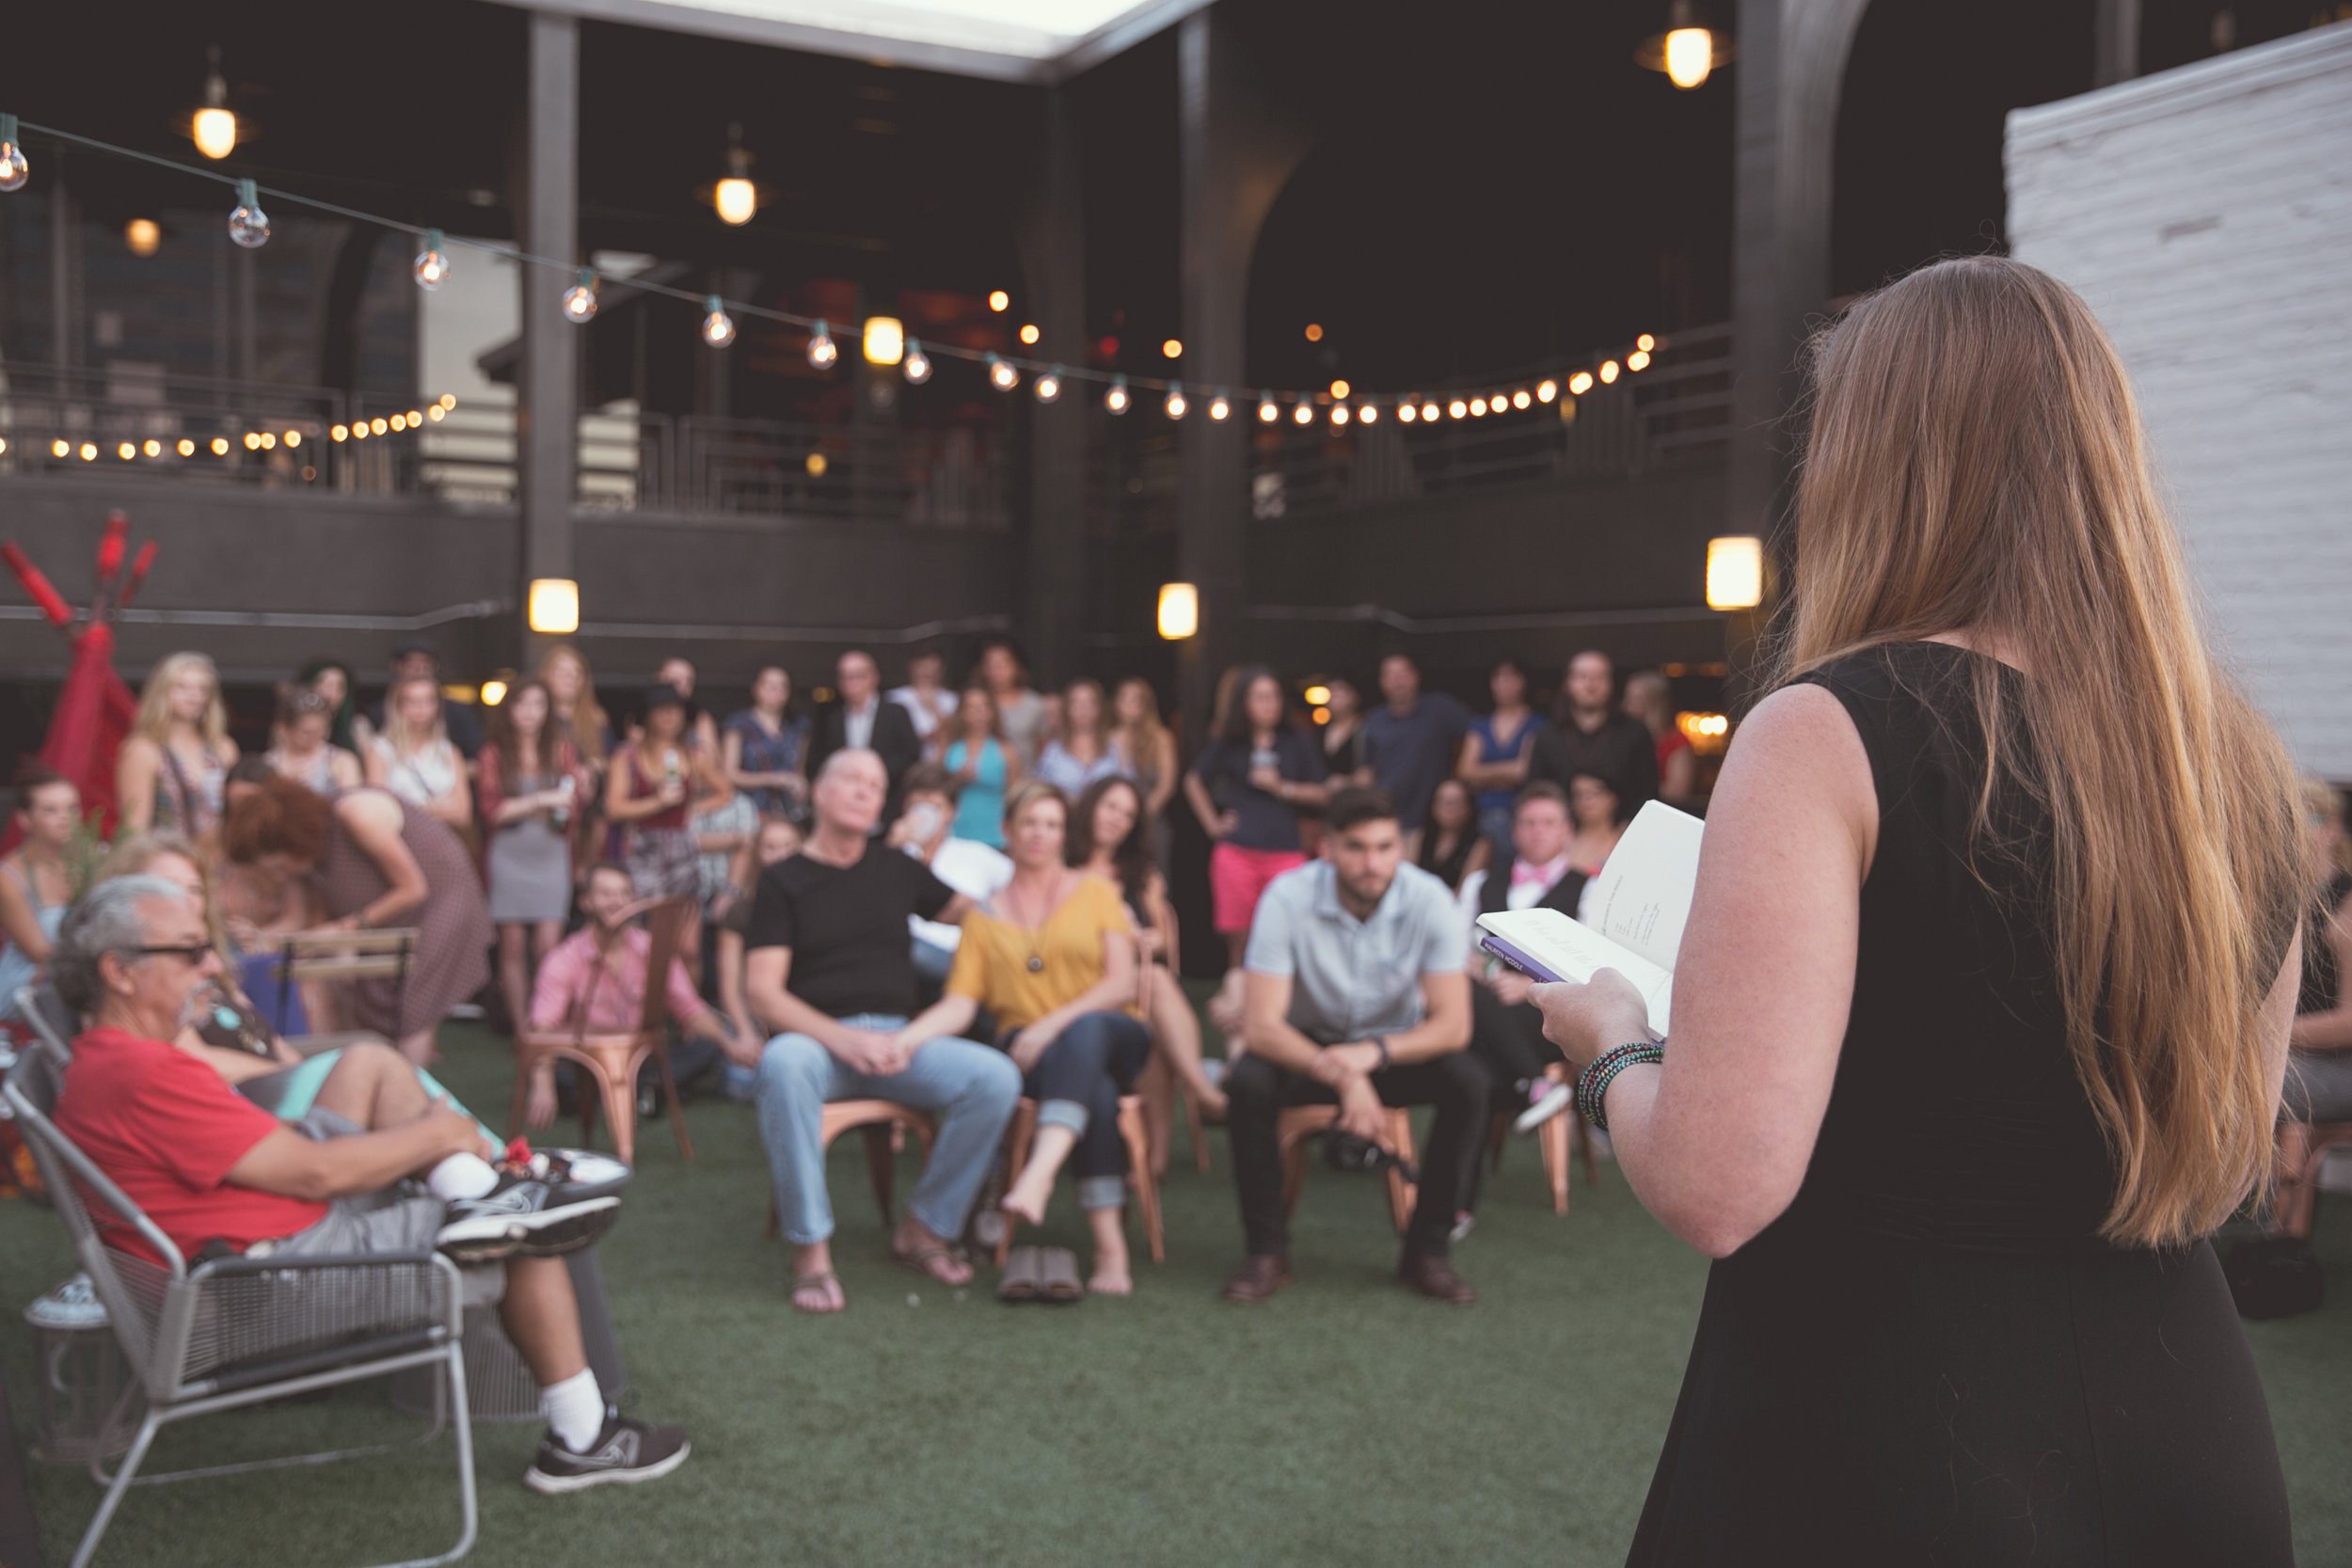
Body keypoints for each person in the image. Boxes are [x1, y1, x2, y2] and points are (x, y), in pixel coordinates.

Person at [1526, 256, 2305, 1563]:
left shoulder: (1828, 731)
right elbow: (2225, 1159)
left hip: (1885, 1440)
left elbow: (1720, 1182)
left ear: (1880, 459)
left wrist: (1608, 1038)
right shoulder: (2231, 759)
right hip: (2188, 1434)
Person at [47, 875, 689, 1493]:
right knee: (523, 1229)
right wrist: (438, 1135)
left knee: (370, 1063)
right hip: (263, 1284)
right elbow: (315, 1171)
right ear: (118, 970)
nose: (211, 963)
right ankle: (582, 1440)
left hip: (250, 1253)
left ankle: (478, 1192)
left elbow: (285, 1162)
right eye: (189, 950)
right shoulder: (145, 1072)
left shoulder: (107, 1060)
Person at [739, 750, 1021, 1314]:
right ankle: (812, 1253)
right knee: (782, 1063)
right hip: (818, 1043)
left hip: (900, 1041)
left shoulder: (897, 868)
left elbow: (981, 913)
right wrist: (842, 1040)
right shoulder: (784, 880)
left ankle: (924, 1228)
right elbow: (764, 994)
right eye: (852, 779)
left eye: (876, 783)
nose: (866, 790)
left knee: (995, 1077)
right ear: (818, 791)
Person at [1220, 787, 1485, 1306]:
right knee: (1247, 1080)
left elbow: (1453, 1026)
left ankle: (1426, 1252)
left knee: (1468, 1081)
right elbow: (1261, 1026)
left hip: (1390, 1047)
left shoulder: (1429, 898)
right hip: (1304, 1046)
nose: (1373, 863)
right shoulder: (1286, 897)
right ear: (1328, 848)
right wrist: (1343, 1074)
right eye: (1357, 847)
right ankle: (1266, 1252)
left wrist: (1373, 1057)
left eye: (1386, 847)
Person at [899, 781, 1150, 1294]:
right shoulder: (984, 919)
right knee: (1096, 1093)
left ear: (1064, 834)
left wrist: (1052, 1022)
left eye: (1053, 824)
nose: (1041, 835)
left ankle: (1038, 1174)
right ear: (1006, 830)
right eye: (1030, 823)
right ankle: (1110, 1250)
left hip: (1113, 1032)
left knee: (1086, 1032)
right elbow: (959, 1005)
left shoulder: (1096, 892)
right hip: (1033, 1055)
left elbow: (1123, 982)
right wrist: (907, 1039)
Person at [221, 776, 493, 1067]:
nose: (277, 878)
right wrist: (258, 938)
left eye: (278, 868)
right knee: (381, 1012)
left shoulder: (356, 815)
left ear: (291, 842)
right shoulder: (301, 863)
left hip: (442, 900)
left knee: (412, 1010)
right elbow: (296, 921)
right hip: (392, 921)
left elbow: (413, 888)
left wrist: (341, 930)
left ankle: (409, 1094)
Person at [1068, 775, 1229, 1148]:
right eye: (1110, 807)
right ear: (1091, 806)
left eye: (1127, 814)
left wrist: (1144, 937)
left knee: (1153, 976)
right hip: (1077, 981)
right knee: (1153, 979)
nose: (1116, 819)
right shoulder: (1063, 868)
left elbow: (1165, 937)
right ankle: (1202, 1089)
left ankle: (1157, 1155)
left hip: (1135, 987)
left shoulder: (1140, 874)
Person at [524, 863, 737, 1129]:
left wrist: (731, 1045)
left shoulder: (652, 949)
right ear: (585, 902)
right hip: (588, 1057)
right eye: (605, 894)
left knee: (708, 1044)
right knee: (561, 1072)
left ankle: (632, 1090)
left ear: (634, 899)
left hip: (642, 1053)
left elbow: (689, 1007)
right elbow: (543, 1025)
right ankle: (639, 1093)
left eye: (623, 893)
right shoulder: (564, 958)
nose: (616, 901)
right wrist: (542, 1085)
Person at [1184, 666, 1327, 1031]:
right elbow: (1194, 781)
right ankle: (1241, 1017)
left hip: (1285, 851)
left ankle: (1282, 1015)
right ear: (1243, 703)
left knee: (1290, 934)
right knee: (1240, 940)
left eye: (1274, 696)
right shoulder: (1230, 743)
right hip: (1236, 851)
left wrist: (1283, 788)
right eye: (1260, 697)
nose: (1269, 704)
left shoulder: (1298, 741)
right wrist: (1214, 825)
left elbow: (1323, 793)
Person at [1457, 782, 1582, 1132]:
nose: (1537, 831)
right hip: (1484, 1000)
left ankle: (1524, 1084)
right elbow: (1453, 948)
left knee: (1468, 1054)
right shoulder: (1479, 882)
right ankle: (1534, 1084)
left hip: (1547, 1018)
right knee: (1462, 987)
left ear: (1567, 831)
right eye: (1528, 823)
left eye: (1548, 822)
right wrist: (1486, 974)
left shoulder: (1588, 888)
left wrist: (1530, 985)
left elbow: (1591, 969)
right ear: (1513, 831)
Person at [480, 679, 587, 1046]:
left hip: (551, 853)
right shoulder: (494, 754)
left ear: (547, 711)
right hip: (509, 855)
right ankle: (522, 1029)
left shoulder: (562, 751)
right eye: (522, 704)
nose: (530, 712)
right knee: (510, 946)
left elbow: (571, 808)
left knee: (547, 945)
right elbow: (493, 812)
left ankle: (546, 1019)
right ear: (509, 709)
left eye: (538, 704)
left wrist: (578, 796)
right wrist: (543, 800)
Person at [2274, 777, 2352, 1234]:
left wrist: (2270, 1034)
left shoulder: (2346, 908)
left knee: (2263, 1077)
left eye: (2305, 818)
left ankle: (2284, 1239)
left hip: (2342, 1068)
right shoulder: (2288, 901)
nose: (2292, 829)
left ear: (2331, 829)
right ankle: (2280, 1233)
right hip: (2303, 1063)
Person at [887, 764, 1013, 989]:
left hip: (962, 962)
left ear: (952, 812)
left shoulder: (978, 855)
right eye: (917, 806)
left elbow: (1023, 888)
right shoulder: (890, 856)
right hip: (899, 965)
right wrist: (891, 849)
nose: (924, 816)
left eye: (935, 807)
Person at [606, 685, 723, 910]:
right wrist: (657, 803)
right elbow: (614, 808)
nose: (670, 716)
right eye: (662, 709)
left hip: (682, 844)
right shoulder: (628, 756)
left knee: (682, 915)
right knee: (639, 912)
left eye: (676, 710)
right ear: (649, 715)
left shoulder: (694, 755)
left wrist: (694, 809)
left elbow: (724, 791)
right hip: (641, 844)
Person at [1355, 652, 1470, 863]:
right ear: (1381, 682)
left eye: (1402, 673)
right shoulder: (1374, 719)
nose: (1397, 680)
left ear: (1415, 676)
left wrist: (1461, 775)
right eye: (1390, 674)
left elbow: (1476, 736)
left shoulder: (1440, 708)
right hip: (1387, 820)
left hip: (1431, 822)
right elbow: (1367, 769)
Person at [116, 651, 240, 840]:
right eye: (181, 687)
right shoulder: (143, 750)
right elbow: (134, 828)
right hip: (165, 860)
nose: (194, 696)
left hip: (219, 860)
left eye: (202, 689)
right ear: (161, 691)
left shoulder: (224, 748)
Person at [715, 816, 803, 1060]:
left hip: (810, 1014)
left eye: (789, 846)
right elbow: (731, 987)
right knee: (742, 1079)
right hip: (758, 1017)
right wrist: (745, 1033)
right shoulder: (740, 912)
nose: (781, 855)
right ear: (758, 854)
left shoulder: (821, 904)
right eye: (771, 847)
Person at [1528, 649, 1659, 809]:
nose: (1590, 685)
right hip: (1560, 830)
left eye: (1599, 677)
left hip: (1624, 830)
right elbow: (1535, 790)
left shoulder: (1635, 732)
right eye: (1582, 677)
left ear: (1611, 683)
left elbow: (1649, 791)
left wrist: (1630, 823)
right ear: (1567, 683)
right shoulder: (1547, 734)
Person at [0, 769, 77, 1027]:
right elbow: (41, 954)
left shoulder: (93, 860)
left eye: (72, 808)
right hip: (31, 987)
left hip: (82, 980)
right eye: (50, 811)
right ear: (24, 819)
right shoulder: (10, 877)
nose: (65, 819)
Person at [809, 650, 923, 808]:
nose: (849, 683)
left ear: (873, 677)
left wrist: (873, 774)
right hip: (845, 804)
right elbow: (819, 759)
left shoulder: (895, 713)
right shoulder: (832, 718)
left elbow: (912, 756)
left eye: (856, 676)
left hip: (888, 804)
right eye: (844, 677)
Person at [365, 673, 473, 832]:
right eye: (412, 701)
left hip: (442, 841)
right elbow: (379, 808)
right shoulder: (379, 749)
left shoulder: (449, 751)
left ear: (438, 706)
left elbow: (463, 815)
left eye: (428, 701)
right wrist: (439, 806)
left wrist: (410, 806)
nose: (421, 709)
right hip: (399, 841)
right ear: (397, 706)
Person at [1458, 657, 1543, 849]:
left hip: (1521, 815)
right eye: (1498, 677)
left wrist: (1483, 774)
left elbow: (1523, 771)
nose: (1504, 684)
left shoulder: (1537, 724)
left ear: (1524, 682)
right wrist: (1508, 771)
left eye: (1512, 677)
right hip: (1479, 816)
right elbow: (1464, 771)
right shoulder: (1479, 724)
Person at [368, 638, 483, 761]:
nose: (419, 670)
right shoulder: (378, 713)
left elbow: (477, 761)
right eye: (411, 665)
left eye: (426, 665)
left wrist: (449, 769)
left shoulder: (459, 712)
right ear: (396, 667)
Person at [722, 665, 810, 819]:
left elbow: (799, 770)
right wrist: (773, 779)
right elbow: (729, 774)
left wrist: (801, 785)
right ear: (756, 688)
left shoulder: (798, 726)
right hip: (750, 811)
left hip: (788, 812)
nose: (776, 691)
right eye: (769, 686)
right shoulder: (738, 724)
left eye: (782, 687)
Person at [936, 686, 1018, 850]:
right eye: (972, 708)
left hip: (995, 838)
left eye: (984, 707)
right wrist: (956, 779)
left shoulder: (1006, 751)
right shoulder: (948, 749)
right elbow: (935, 790)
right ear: (962, 713)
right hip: (954, 835)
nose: (978, 713)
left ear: (992, 712)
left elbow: (1014, 798)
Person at [1109, 677, 1178, 862]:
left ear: (1146, 705)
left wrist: (1139, 816)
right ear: (1116, 703)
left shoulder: (1161, 738)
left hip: (1150, 821)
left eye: (1136, 700)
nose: (1129, 705)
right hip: (1113, 820)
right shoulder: (1108, 738)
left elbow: (1166, 786)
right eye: (1124, 699)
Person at [1035, 677, 1126, 797]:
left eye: (1090, 702)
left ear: (1100, 708)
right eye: (1076, 703)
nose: (1083, 709)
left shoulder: (1116, 746)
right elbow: (1041, 792)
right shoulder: (1052, 750)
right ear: (1067, 709)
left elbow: (1127, 787)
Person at [265, 688, 363, 795]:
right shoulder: (269, 763)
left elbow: (351, 798)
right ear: (284, 729)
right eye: (306, 732)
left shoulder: (341, 760)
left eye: (320, 731)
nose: (315, 737)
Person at [976, 638, 1050, 772]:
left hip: (1025, 782)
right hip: (984, 783)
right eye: (990, 665)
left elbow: (1043, 748)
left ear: (1016, 666)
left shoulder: (1034, 705)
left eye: (1003, 664)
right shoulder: (973, 704)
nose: (996, 671)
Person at [1624, 669, 1695, 807]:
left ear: (1654, 703)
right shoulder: (1621, 736)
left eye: (1636, 700)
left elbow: (1677, 793)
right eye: (1627, 698)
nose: (1628, 706)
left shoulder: (1675, 742)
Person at [537, 642, 613, 765]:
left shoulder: (597, 718)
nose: (571, 678)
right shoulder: (534, 716)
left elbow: (612, 761)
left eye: (577, 672)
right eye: (562, 672)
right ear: (546, 675)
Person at [1416, 777, 1488, 895]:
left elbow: (1466, 893)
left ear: (1468, 807)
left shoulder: (1481, 844)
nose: (1448, 807)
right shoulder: (1418, 838)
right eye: (1442, 800)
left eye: (1455, 801)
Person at [652, 656, 723, 759]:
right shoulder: (641, 714)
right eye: (676, 680)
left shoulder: (700, 718)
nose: (683, 686)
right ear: (658, 678)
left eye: (688, 682)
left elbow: (713, 761)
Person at [886, 645, 959, 741]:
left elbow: (956, 733)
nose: (927, 672)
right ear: (911, 667)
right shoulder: (894, 697)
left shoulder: (952, 699)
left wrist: (932, 707)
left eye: (932, 667)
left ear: (941, 669)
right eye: (922, 667)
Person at [1565, 768, 1629, 877]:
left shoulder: (1624, 844)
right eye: (1578, 794)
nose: (1585, 800)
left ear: (1612, 798)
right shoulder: (1561, 839)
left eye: (1593, 793)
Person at [296, 657, 364, 756]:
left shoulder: (358, 728)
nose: (332, 693)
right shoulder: (291, 725)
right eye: (327, 685)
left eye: (339, 687)